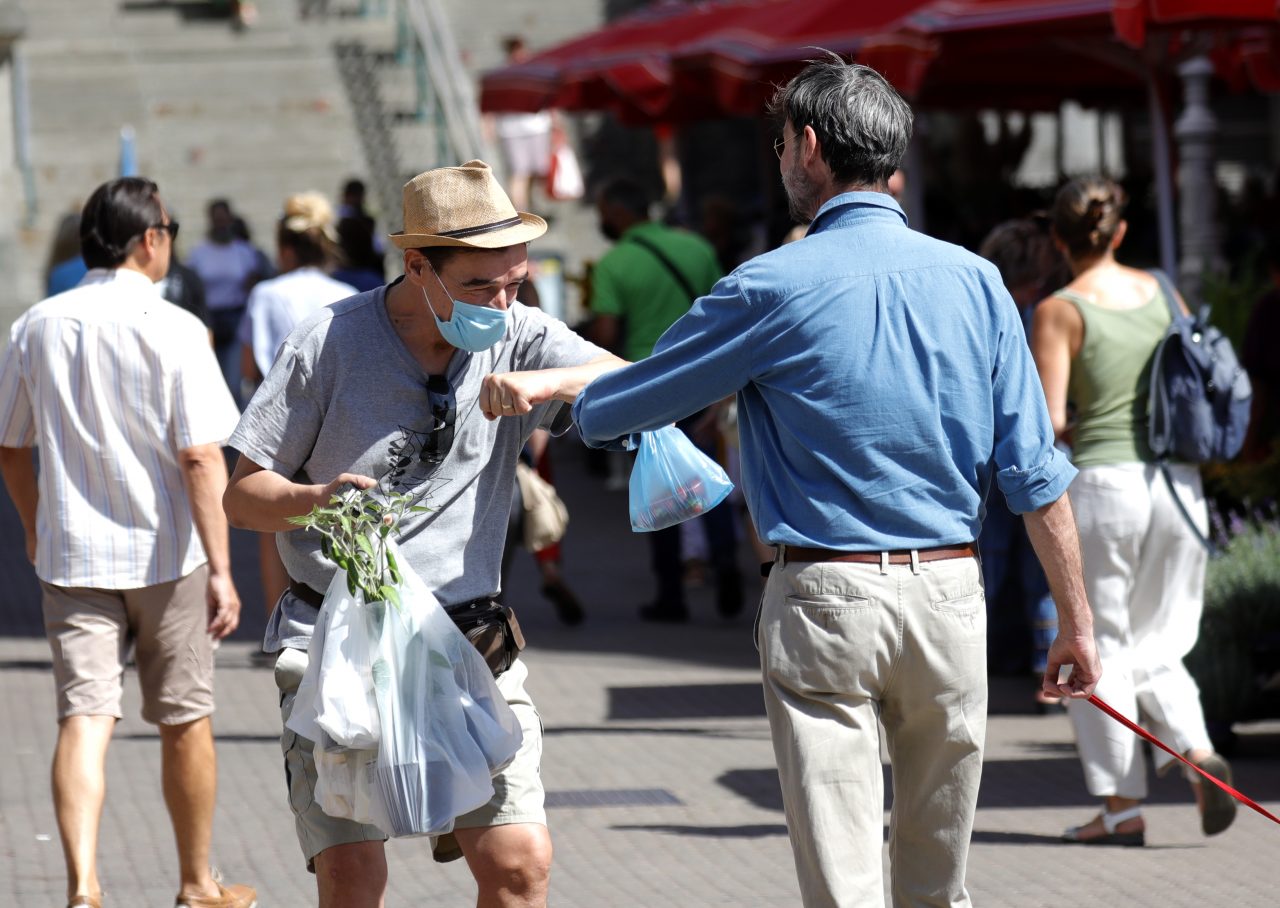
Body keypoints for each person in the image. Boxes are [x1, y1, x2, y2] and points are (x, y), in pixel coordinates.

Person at [565, 56, 1101, 907]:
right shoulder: (979, 283)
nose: (781, 163)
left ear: (808, 147)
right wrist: (1075, 621)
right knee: (938, 882)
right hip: (953, 592)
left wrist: (562, 386)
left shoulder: (770, 285)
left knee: (845, 884)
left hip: (825, 593)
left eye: (780, 146)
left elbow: (614, 411)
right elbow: (1035, 473)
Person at [221, 159, 625, 908]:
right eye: (480, 287)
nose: (502, 304)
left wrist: (547, 382)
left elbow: (634, 384)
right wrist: (313, 500)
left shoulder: (520, 333)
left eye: (516, 282)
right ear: (418, 266)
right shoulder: (329, 343)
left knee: (519, 865)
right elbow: (242, 496)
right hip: (339, 647)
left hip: (470, 645)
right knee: (351, 879)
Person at [0, 178, 255, 908]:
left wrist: (33, 522)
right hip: (169, 554)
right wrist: (225, 570)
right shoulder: (177, 327)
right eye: (168, 228)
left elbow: (10, 446)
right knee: (184, 719)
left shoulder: (35, 325)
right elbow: (203, 457)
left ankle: (82, 886)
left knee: (83, 716)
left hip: (72, 554)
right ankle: (195, 883)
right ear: (150, 239)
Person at [1031, 176, 1237, 846]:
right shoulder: (1160, 288)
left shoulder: (1060, 309)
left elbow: (1051, 420)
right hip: (1177, 487)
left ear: (1058, 239)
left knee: (1098, 646)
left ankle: (1121, 810)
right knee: (1160, 641)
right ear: (1119, 232)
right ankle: (1199, 755)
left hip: (1104, 488)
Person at [589, 175, 743, 623]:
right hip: (703, 381)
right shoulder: (695, 248)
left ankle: (671, 595)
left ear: (618, 213)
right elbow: (725, 313)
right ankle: (727, 562)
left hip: (649, 392)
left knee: (660, 487)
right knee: (707, 478)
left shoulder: (614, 264)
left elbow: (604, 337)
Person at [237, 191, 357, 621]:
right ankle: (344, 616)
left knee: (277, 522)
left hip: (280, 422)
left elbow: (250, 363)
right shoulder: (348, 292)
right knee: (340, 516)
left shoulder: (266, 293)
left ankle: (282, 619)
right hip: (340, 420)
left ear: (285, 247)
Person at [977, 216, 1070, 707]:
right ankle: (1043, 665)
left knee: (991, 554)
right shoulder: (1047, 310)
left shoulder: (982, 308)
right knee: (1041, 556)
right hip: (1039, 448)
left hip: (985, 448)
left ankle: (983, 654)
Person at [187, 199, 266, 398]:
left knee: (233, 381)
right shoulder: (199, 253)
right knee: (210, 378)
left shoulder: (244, 252)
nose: (220, 224)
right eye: (216, 220)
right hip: (209, 318)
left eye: (224, 220)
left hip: (235, 318)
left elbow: (254, 283)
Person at [491, 36, 554, 211]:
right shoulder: (501, 76)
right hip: (512, 130)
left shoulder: (536, 72)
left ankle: (528, 203)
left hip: (537, 126)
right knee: (520, 172)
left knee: (537, 170)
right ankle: (520, 210)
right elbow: (490, 104)